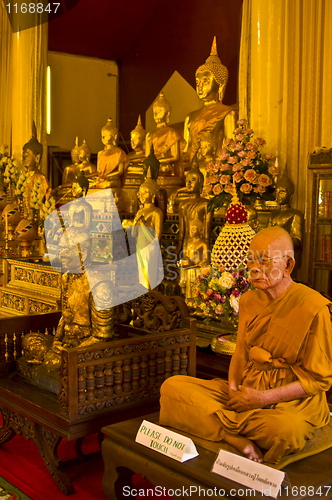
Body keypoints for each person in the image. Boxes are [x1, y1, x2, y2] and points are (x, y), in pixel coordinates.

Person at [160, 226, 332, 464]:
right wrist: (233, 391)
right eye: (250, 260)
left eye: (263, 261)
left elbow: (319, 379)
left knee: (286, 431)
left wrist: (262, 399)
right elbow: (240, 353)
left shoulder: (314, 307)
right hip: (246, 390)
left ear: (288, 265)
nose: (253, 269)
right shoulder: (249, 300)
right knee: (172, 387)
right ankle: (233, 436)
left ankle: (221, 424)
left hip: (290, 403)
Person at [21, 225, 115, 372]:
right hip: (67, 345)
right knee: (29, 341)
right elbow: (66, 316)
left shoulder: (99, 285)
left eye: (66, 250)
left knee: (54, 363)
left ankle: (49, 362)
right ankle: (50, 361)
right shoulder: (66, 278)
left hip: (87, 350)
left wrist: (71, 352)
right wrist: (56, 342)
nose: (61, 255)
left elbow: (103, 336)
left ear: (82, 253)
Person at [183, 37, 238, 166]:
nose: (200, 87)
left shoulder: (229, 114)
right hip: (191, 170)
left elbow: (231, 151)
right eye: (198, 82)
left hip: (214, 169)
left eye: (205, 82)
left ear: (220, 84)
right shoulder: (190, 117)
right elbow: (186, 152)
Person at [146, 92, 186, 191]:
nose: (155, 114)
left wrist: (157, 162)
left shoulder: (171, 133)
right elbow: (147, 157)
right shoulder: (149, 135)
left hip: (165, 167)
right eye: (154, 111)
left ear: (167, 113)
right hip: (151, 167)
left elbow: (175, 156)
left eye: (159, 111)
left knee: (164, 168)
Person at [89, 118, 127, 189]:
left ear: (114, 136)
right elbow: (98, 172)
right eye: (102, 135)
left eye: (106, 135)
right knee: (87, 184)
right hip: (101, 179)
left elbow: (120, 171)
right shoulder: (100, 153)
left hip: (113, 179)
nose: (103, 137)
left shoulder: (119, 152)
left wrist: (107, 176)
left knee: (106, 185)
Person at [22, 122, 51, 216]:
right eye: (23, 156)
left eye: (26, 156)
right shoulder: (22, 177)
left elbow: (47, 199)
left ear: (37, 158)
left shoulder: (41, 177)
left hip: (36, 216)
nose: (23, 159)